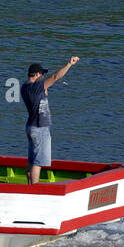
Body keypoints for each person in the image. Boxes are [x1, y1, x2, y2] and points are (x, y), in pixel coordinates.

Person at [21, 56, 79, 184]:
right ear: (36, 75)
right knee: (38, 163)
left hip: (31, 126)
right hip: (40, 128)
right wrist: (69, 64)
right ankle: (34, 190)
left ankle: (29, 187)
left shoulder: (24, 87)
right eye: (41, 74)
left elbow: (37, 95)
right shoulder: (36, 87)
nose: (42, 77)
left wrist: (43, 92)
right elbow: (55, 77)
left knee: (31, 161)